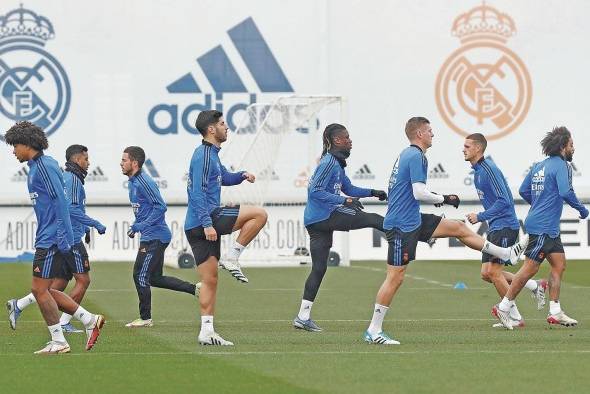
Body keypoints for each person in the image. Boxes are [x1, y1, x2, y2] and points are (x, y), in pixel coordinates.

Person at [363, 117, 528, 345]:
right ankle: (374, 329)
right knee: (395, 277)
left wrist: (444, 200)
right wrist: (444, 198)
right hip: (402, 225)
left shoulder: (408, 154)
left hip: (412, 219)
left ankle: (504, 253)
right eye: (430, 131)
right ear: (419, 134)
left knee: (458, 227)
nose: (433, 134)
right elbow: (419, 192)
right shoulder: (416, 155)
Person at [4, 121, 105, 354]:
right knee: (45, 290)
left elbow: (61, 202)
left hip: (51, 239)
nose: (13, 150)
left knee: (40, 290)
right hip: (49, 237)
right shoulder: (38, 166)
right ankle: (90, 320)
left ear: (27, 144)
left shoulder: (44, 167)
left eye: (15, 145)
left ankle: (59, 341)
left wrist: (63, 238)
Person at [293, 123, 387, 332]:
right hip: (325, 216)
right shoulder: (328, 163)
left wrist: (373, 192)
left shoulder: (336, 163)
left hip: (315, 222)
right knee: (371, 218)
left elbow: (349, 188)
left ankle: (302, 316)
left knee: (319, 268)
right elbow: (314, 191)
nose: (350, 141)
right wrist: (344, 201)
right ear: (337, 140)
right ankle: (409, 233)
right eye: (347, 137)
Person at [185, 110, 267, 346]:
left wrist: (242, 175)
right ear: (211, 129)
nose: (226, 127)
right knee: (259, 214)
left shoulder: (211, 154)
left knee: (210, 280)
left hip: (195, 226)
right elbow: (197, 192)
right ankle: (233, 256)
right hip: (207, 219)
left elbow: (224, 178)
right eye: (222, 124)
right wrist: (208, 224)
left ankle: (206, 332)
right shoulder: (204, 155)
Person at [493, 127, 587, 329]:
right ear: (563, 147)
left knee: (559, 265)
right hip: (543, 226)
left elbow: (523, 190)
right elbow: (566, 191)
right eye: (571, 145)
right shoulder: (562, 165)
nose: (573, 148)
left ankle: (555, 312)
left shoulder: (538, 166)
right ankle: (503, 306)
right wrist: (582, 210)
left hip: (545, 225)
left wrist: (539, 203)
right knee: (530, 268)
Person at [463, 134, 547, 328]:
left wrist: (481, 216)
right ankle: (534, 285)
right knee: (486, 273)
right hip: (496, 226)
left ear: (478, 149)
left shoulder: (488, 169)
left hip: (505, 226)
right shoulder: (477, 171)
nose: (463, 149)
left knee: (494, 272)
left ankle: (515, 318)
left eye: (467, 146)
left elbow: (504, 201)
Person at [121, 146, 200, 328]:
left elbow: (160, 207)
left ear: (134, 163)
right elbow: (145, 209)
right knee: (154, 278)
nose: (121, 163)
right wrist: (137, 226)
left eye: (124, 160)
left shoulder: (143, 182)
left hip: (156, 236)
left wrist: (141, 225)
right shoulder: (133, 182)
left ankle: (145, 318)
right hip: (150, 236)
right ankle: (195, 289)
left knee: (139, 275)